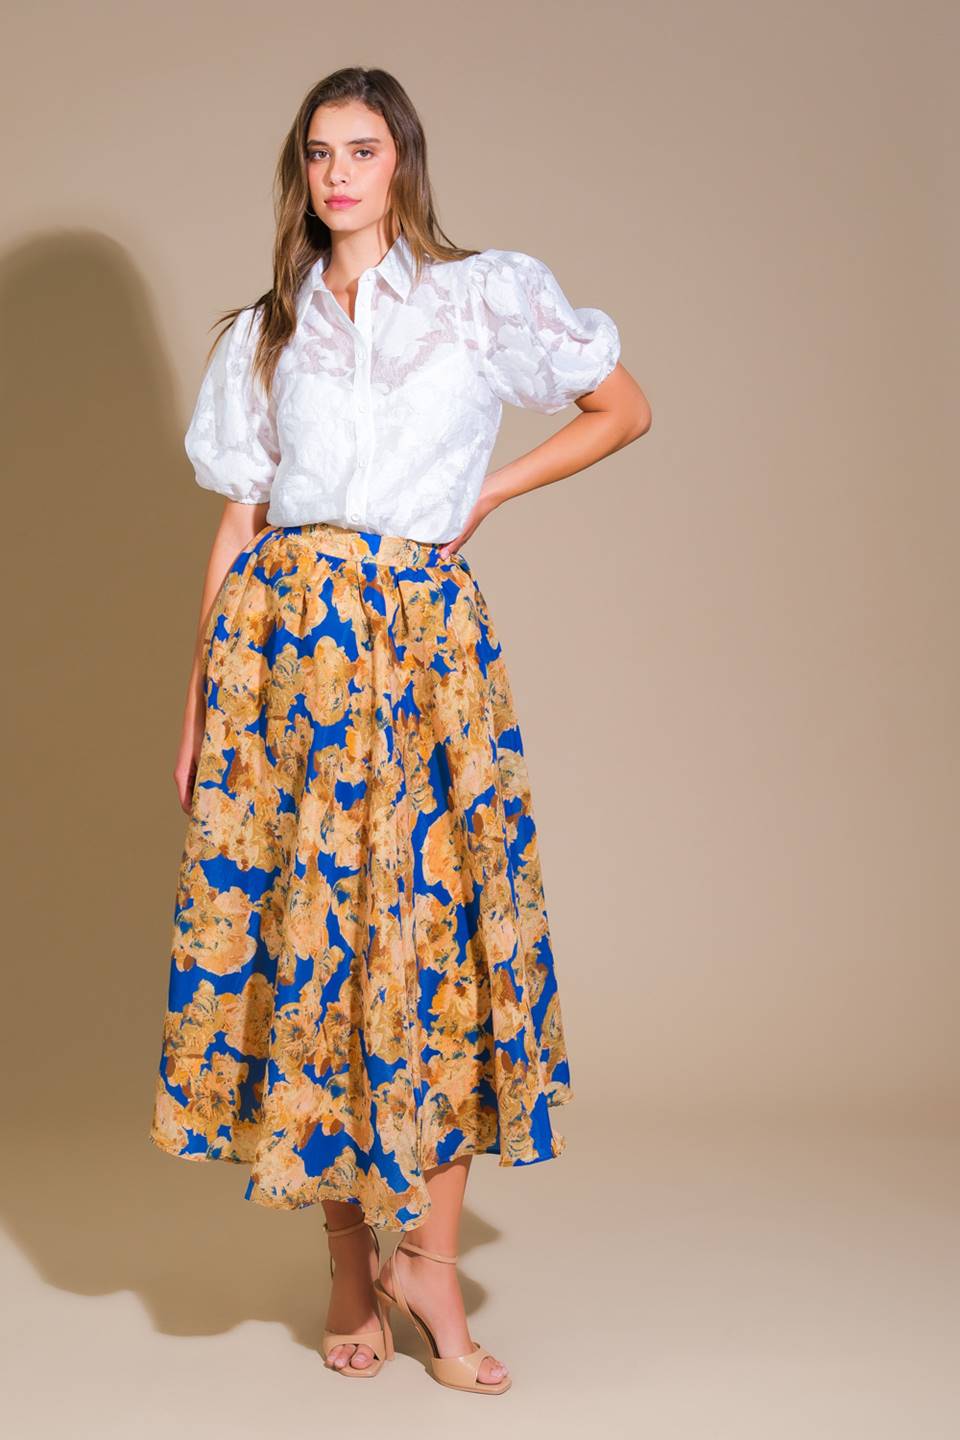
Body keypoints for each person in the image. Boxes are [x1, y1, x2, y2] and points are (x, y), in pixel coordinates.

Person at [148, 65, 652, 1394]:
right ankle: (346, 1268)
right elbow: (239, 521)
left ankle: (428, 1266)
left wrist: (486, 492)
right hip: (283, 671)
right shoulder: (267, 332)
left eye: (361, 150)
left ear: (402, 161)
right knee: (314, 951)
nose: (338, 175)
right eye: (318, 153)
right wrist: (198, 708)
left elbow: (623, 407)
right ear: (300, 170)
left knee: (437, 943)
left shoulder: (484, 299)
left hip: (422, 659)